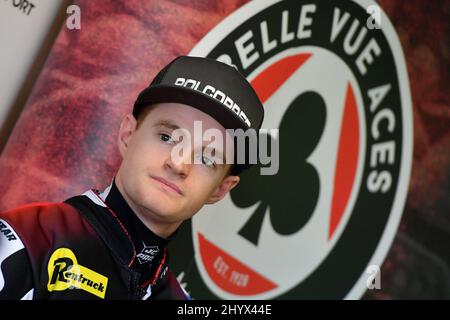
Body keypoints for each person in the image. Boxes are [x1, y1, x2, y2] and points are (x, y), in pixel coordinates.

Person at [0, 56, 264, 300]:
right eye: (167, 137)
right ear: (128, 134)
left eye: (207, 159)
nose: (178, 163)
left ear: (221, 189)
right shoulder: (28, 243)